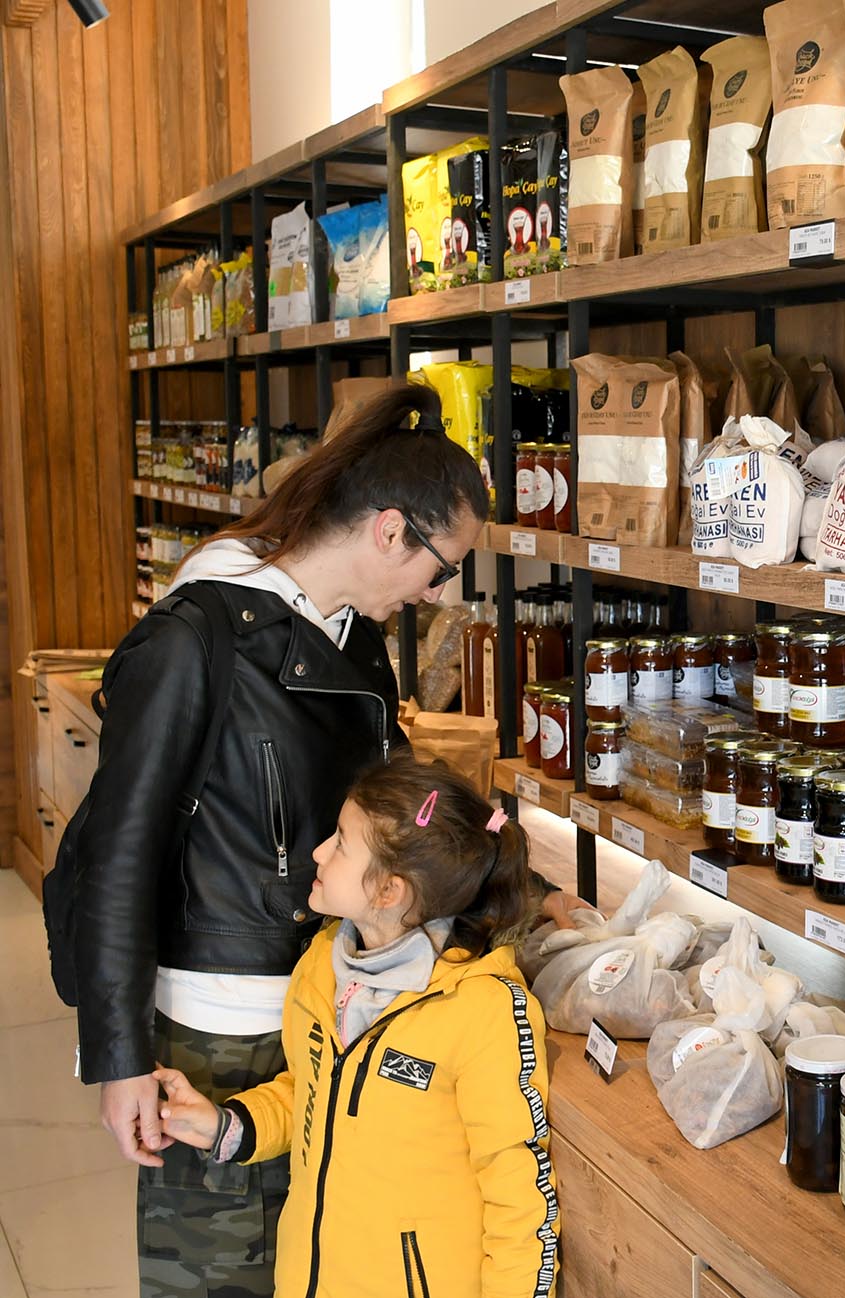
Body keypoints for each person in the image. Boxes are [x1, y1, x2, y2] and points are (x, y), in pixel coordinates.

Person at [66, 382, 487, 1298]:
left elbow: (392, 809)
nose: (436, 592)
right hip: (219, 1033)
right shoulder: (197, 637)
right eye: (443, 567)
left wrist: (498, 866)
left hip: (326, 1006)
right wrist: (120, 1059)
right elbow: (118, 854)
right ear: (389, 532)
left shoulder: (353, 638)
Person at [152, 753, 559, 1298]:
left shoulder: (483, 1011)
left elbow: (520, 1196)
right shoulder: (324, 963)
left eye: (341, 842)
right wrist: (226, 1127)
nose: (318, 852)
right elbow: (312, 1092)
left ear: (389, 891)